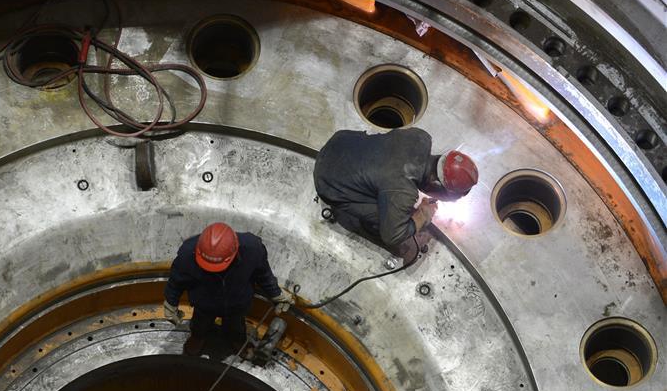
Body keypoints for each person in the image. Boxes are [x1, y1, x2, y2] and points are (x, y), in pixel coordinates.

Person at [313, 128, 478, 252]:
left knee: (383, 186)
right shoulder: (403, 192)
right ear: (435, 183)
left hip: (341, 140)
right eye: (444, 196)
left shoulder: (420, 137)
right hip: (327, 180)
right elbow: (393, 236)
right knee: (395, 220)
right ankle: (371, 228)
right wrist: (422, 216)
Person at [163, 222, 293, 356]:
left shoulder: (252, 250)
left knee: (236, 326)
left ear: (234, 252)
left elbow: (263, 274)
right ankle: (197, 337)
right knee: (200, 324)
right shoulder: (187, 254)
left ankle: (237, 340)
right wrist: (170, 303)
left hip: (237, 303)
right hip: (204, 303)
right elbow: (177, 281)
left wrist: (276, 294)